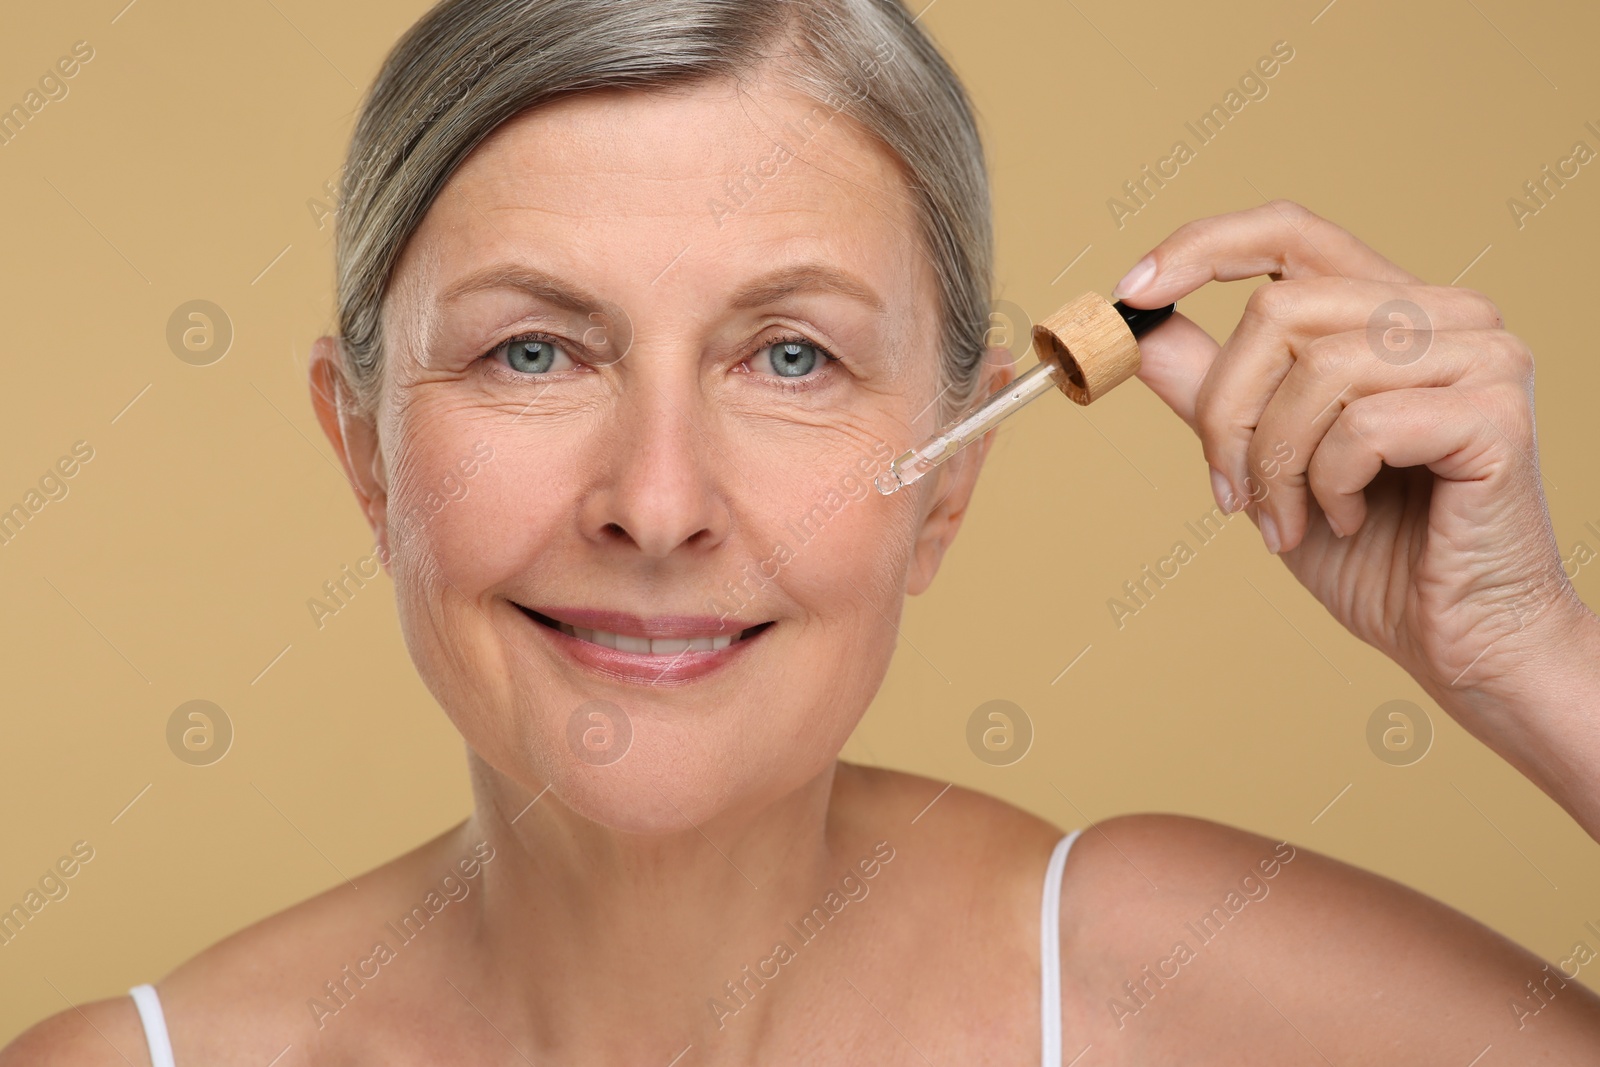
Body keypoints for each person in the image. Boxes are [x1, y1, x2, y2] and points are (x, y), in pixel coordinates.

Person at [7, 0, 1600, 1062]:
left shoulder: (1185, 988)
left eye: (791, 357)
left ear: (952, 473)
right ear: (363, 447)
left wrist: (1534, 660)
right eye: (535, 350)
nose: (659, 501)